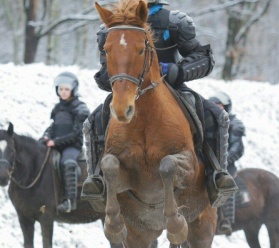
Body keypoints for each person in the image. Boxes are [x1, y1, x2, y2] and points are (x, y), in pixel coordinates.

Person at [80, 0, 238, 208]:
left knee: (216, 116)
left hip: (172, 86)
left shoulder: (175, 22)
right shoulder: (111, 28)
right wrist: (111, 76)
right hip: (128, 90)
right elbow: (104, 72)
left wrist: (176, 70)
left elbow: (204, 58)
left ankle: (216, 174)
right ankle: (97, 178)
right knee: (92, 122)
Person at [41, 72, 90, 213]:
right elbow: (53, 126)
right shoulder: (57, 108)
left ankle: (70, 201)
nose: (63, 92)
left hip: (72, 147)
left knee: (67, 163)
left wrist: (55, 142)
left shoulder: (81, 108)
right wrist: (46, 136)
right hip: (55, 144)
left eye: (66, 89)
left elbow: (76, 134)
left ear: (73, 90)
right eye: (61, 89)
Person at [209, 92, 246, 234]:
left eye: (220, 106)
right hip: (209, 163)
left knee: (226, 184)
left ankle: (225, 220)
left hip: (226, 166)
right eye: (214, 106)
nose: (217, 109)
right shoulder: (207, 124)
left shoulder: (235, 125)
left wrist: (222, 162)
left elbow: (237, 149)